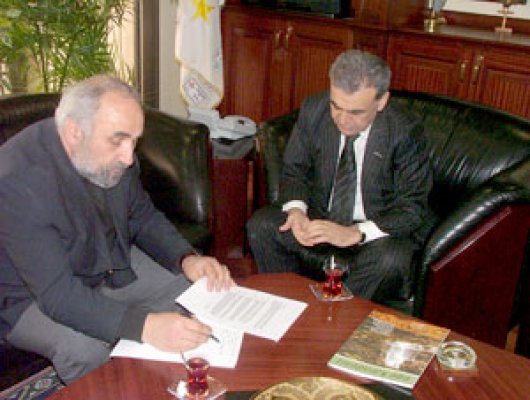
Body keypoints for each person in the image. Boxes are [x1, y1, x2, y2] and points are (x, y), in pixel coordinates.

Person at [0, 75, 234, 384]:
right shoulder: (16, 181)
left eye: (134, 141)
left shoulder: (115, 154)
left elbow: (141, 215)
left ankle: (165, 384)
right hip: (29, 294)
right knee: (84, 349)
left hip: (101, 257)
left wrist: (186, 258)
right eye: (118, 140)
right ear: (74, 132)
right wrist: (146, 327)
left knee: (189, 291)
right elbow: (59, 295)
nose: (129, 157)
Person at [247, 50, 434, 304]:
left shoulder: (405, 131)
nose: (343, 120)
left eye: (356, 112)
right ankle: (287, 307)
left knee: (391, 259)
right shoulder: (315, 109)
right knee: (262, 225)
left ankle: (335, 317)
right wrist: (297, 212)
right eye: (336, 106)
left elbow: (412, 208)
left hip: (375, 230)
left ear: (381, 101)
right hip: (321, 217)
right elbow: (295, 170)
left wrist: (355, 233)